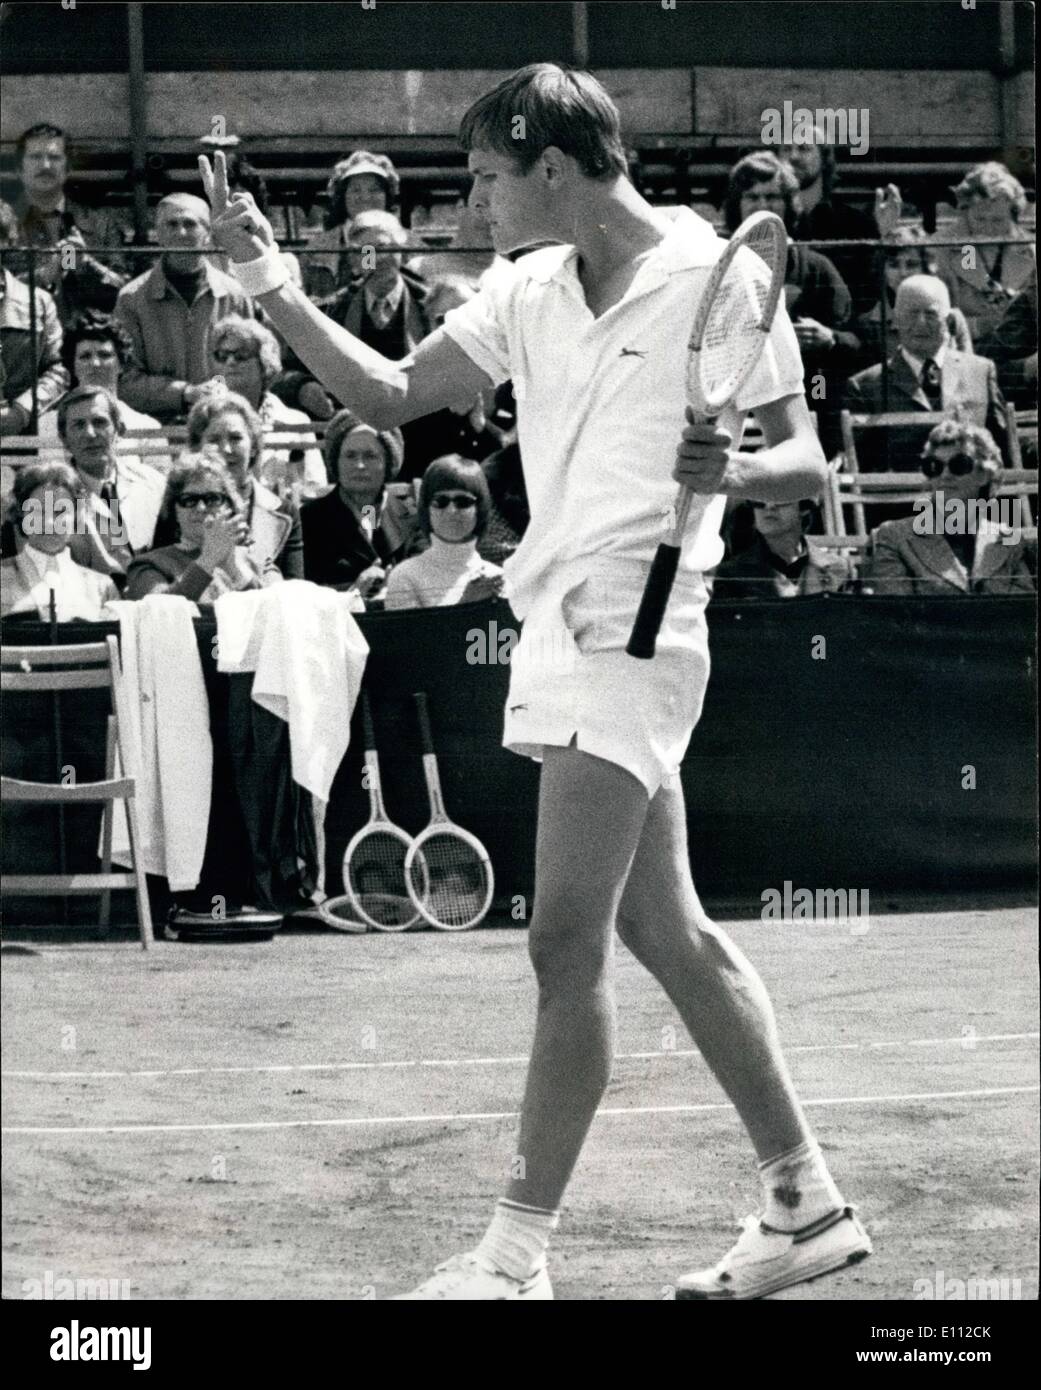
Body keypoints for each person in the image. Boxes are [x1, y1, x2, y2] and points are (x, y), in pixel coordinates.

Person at [200, 60, 871, 1302]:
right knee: (661, 926)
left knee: (564, 942)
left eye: (486, 178)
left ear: (553, 169)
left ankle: (514, 1255)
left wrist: (732, 466)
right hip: (559, 622)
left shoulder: (718, 276)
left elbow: (803, 461)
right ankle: (805, 1199)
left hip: (642, 620)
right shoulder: (524, 289)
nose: (473, 203)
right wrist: (265, 280)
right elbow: (387, 395)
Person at [724, 152, 859, 454]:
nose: (762, 206)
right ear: (737, 204)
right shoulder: (719, 265)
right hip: (736, 403)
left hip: (808, 398)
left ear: (788, 203)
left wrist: (830, 339)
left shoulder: (816, 267)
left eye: (772, 197)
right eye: (752, 197)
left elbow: (858, 341)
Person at [844, 274, 1009, 472]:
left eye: (930, 314)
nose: (921, 323)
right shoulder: (865, 386)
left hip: (969, 500)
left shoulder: (980, 371)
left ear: (948, 320)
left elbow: (1002, 450)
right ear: (896, 319)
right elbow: (860, 466)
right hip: (900, 500)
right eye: (911, 314)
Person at [5, 384, 167, 583]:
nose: (90, 433)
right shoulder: (49, 496)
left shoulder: (154, 484)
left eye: (100, 422)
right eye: (78, 425)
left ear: (119, 430)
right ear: (63, 439)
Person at [114, 193, 255, 422]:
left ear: (207, 233)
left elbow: (252, 370)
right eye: (171, 225)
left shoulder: (236, 296)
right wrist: (184, 393)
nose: (181, 233)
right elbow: (123, 381)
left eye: (190, 224)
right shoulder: (131, 299)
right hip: (156, 429)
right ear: (157, 234)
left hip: (221, 424)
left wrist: (216, 391)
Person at [863, 421, 1035, 596]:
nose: (945, 475)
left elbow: (1021, 612)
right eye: (934, 466)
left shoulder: (1009, 540)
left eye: (959, 465)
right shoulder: (895, 538)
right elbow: (898, 615)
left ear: (985, 474)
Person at [881, 163, 1035, 346]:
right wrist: (981, 325)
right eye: (980, 219)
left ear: (1014, 214)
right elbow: (931, 317)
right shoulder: (941, 247)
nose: (988, 228)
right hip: (961, 350)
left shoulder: (1030, 248)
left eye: (998, 220)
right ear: (964, 210)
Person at [10, 123, 129, 326]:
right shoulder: (4, 225)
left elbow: (127, 293)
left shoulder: (101, 224)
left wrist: (88, 265)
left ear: (67, 169)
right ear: (19, 169)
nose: (45, 165)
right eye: (36, 157)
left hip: (87, 349)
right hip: (25, 346)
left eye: (54, 158)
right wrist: (42, 276)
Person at [184, 387, 304, 579]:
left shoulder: (285, 511)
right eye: (214, 439)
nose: (226, 449)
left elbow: (294, 585)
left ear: (254, 447)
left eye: (236, 438)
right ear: (197, 448)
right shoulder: (181, 503)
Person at [298, 406, 415, 602]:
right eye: (350, 455)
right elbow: (302, 598)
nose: (359, 465)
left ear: (388, 462)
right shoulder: (309, 521)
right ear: (336, 462)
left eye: (370, 456)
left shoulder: (412, 519)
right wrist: (352, 594)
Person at [125, 454, 278, 601]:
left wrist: (235, 569)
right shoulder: (149, 564)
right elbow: (158, 613)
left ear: (230, 506)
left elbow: (280, 614)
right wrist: (208, 560)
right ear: (174, 510)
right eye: (189, 500)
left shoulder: (259, 562)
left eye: (212, 499)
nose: (201, 508)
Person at [206, 315, 325, 498]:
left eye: (241, 355)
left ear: (264, 364)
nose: (230, 362)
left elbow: (315, 487)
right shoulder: (204, 419)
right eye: (222, 356)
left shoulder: (296, 422)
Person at [775, 128, 882, 318]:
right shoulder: (769, 222)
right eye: (786, 149)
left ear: (825, 159)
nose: (793, 156)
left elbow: (866, 300)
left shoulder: (856, 224)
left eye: (804, 148)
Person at [0, 460, 119, 619]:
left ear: (78, 514)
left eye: (60, 511)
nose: (49, 523)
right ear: (21, 513)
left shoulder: (102, 587)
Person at [384, 454, 504, 609]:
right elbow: (409, 634)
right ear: (427, 509)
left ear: (479, 509)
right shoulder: (405, 576)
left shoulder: (498, 577)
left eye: (463, 502)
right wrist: (466, 606)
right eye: (440, 502)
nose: (452, 510)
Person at [38, 317, 165, 455]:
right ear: (73, 366)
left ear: (121, 364)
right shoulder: (48, 424)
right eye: (85, 356)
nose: (95, 364)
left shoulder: (147, 428)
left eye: (104, 355)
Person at [0, 199, 70, 435]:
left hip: (66, 311)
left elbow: (68, 274)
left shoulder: (72, 222)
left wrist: (21, 410)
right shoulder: (26, 214)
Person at [304, 150, 402, 299]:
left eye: (375, 190)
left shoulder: (413, 243)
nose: (365, 197)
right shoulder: (317, 248)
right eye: (355, 190)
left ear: (387, 195)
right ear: (342, 196)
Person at [713, 499, 853, 598]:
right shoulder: (731, 576)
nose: (768, 506)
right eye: (759, 500)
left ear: (803, 507)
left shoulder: (839, 569)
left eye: (779, 498)